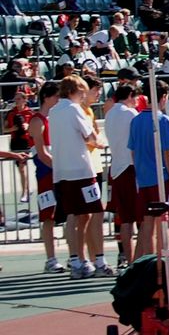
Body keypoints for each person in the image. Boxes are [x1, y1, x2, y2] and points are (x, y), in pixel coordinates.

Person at [48, 73, 110, 278]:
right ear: (75, 91)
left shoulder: (54, 111)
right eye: (82, 91)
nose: (84, 96)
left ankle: (77, 259)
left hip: (62, 172)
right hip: (81, 170)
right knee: (92, 212)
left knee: (75, 216)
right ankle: (95, 260)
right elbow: (90, 137)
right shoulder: (74, 109)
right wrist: (101, 142)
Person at [128, 81, 169, 260]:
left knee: (147, 223)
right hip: (161, 178)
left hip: (143, 179)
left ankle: (146, 261)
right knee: (164, 223)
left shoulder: (135, 120)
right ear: (163, 97)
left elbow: (133, 152)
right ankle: (161, 260)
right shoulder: (163, 120)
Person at [103, 82, 142, 271]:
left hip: (117, 168)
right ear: (130, 96)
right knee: (141, 218)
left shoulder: (110, 114)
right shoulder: (130, 114)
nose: (137, 102)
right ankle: (140, 260)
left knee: (125, 218)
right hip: (130, 167)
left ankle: (130, 259)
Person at [27, 81, 63, 272]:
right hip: (46, 173)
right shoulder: (37, 120)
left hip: (58, 171)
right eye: (57, 97)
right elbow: (41, 153)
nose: (59, 100)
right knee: (48, 216)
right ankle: (51, 259)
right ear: (48, 98)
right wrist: (59, 168)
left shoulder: (56, 119)